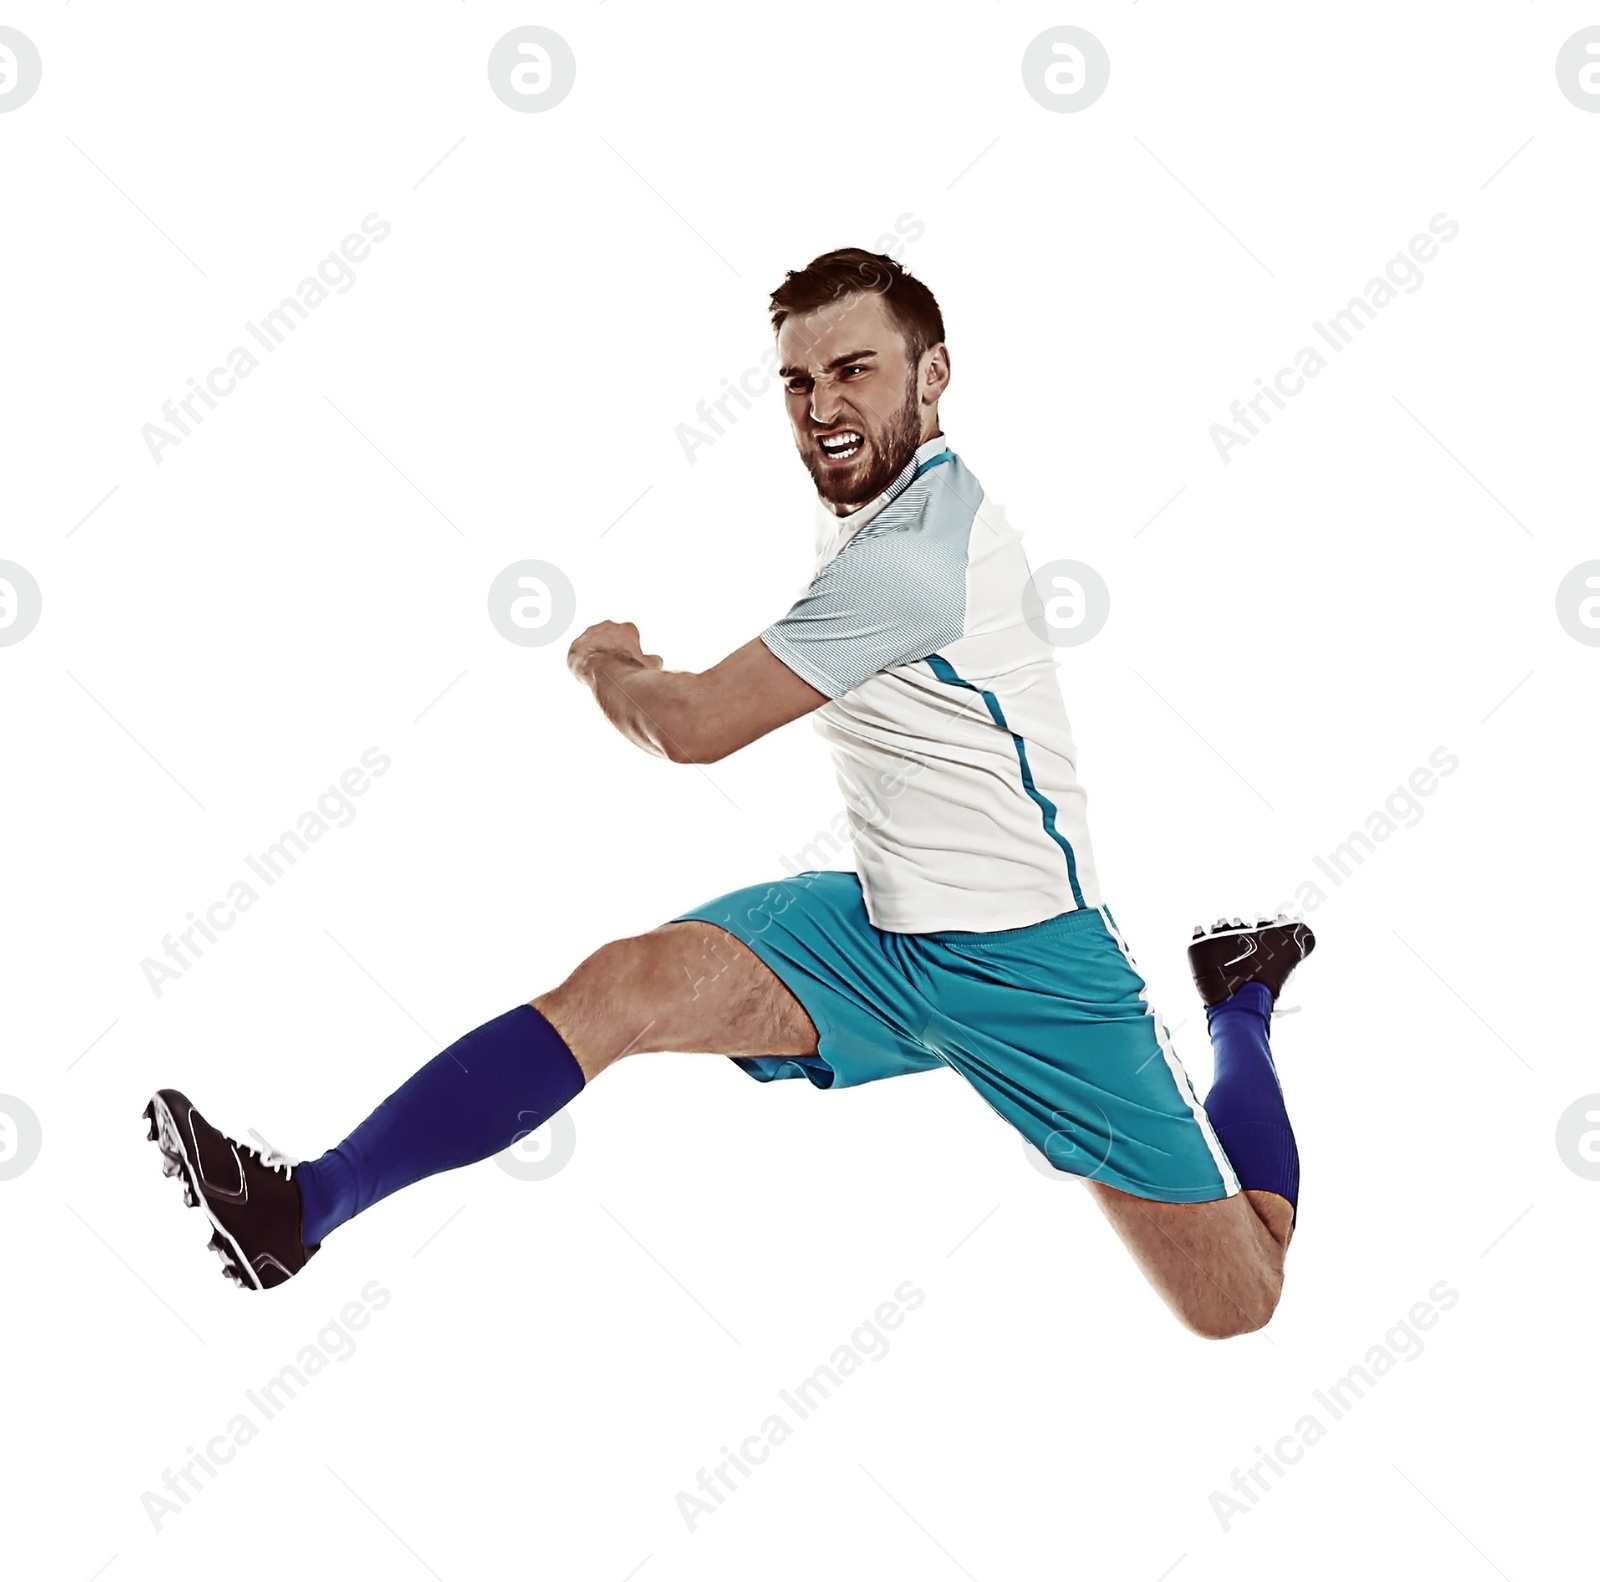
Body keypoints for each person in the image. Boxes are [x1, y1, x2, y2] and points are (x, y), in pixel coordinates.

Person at [144, 247, 1313, 1339]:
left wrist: (605, 663)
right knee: (625, 986)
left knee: (1237, 1298)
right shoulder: (871, 498)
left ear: (936, 372)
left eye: (855, 370)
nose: (822, 406)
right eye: (798, 380)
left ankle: (1237, 999)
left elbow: (696, 729)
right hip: (878, 930)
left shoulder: (915, 558)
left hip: (1029, 965)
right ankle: (299, 1211)